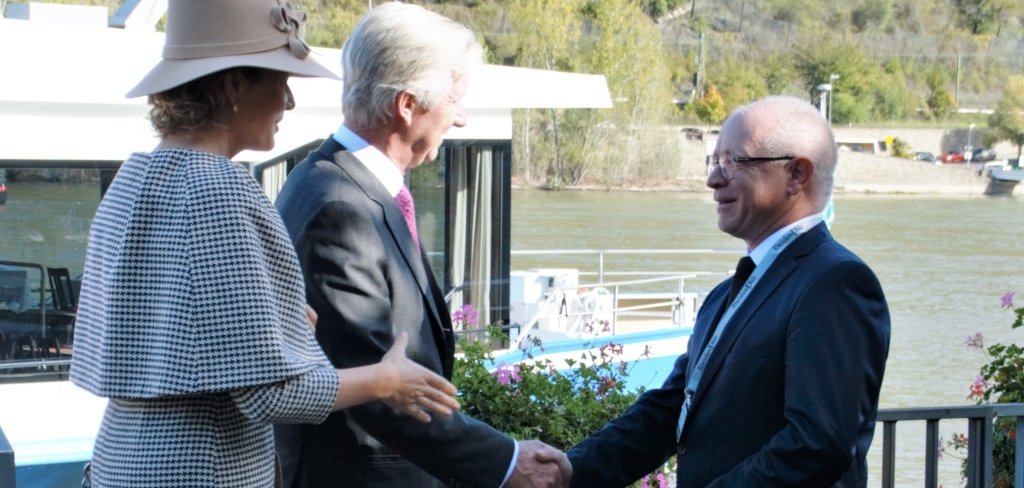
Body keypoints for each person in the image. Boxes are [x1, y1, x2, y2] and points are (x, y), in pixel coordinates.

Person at [69, 1, 460, 486]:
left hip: (119, 462)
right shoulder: (220, 190)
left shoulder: (134, 178)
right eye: (281, 80)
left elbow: (160, 339)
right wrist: (387, 379)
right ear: (234, 85)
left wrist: (277, 326)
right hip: (202, 470)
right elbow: (270, 395)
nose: (289, 102)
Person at [273, 3, 568, 487]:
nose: (463, 119)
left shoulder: (330, 182)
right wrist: (506, 462)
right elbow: (375, 385)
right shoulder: (339, 209)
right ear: (407, 105)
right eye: (454, 100)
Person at [560, 96, 891, 487]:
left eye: (733, 162)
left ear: (797, 175)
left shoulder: (834, 284)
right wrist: (569, 471)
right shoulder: (725, 294)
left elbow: (817, 445)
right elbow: (671, 410)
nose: (713, 180)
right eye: (713, 161)